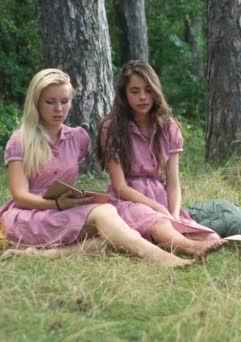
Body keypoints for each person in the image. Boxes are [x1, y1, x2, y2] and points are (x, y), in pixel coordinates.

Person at [0, 69, 194, 267]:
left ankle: (34, 255)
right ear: (36, 103)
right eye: (50, 102)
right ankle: (155, 255)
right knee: (105, 214)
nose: (59, 109)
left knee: (113, 236)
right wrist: (57, 205)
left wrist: (74, 200)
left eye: (65, 101)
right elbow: (20, 196)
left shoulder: (78, 138)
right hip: (28, 216)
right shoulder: (20, 140)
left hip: (63, 212)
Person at [97, 60, 227, 257]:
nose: (143, 97)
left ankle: (173, 240)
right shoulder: (112, 128)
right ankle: (191, 249)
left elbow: (173, 182)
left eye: (148, 90)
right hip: (128, 200)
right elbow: (120, 187)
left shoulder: (169, 127)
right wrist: (157, 207)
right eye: (134, 91)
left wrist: (174, 215)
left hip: (161, 198)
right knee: (159, 223)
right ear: (124, 94)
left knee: (212, 237)